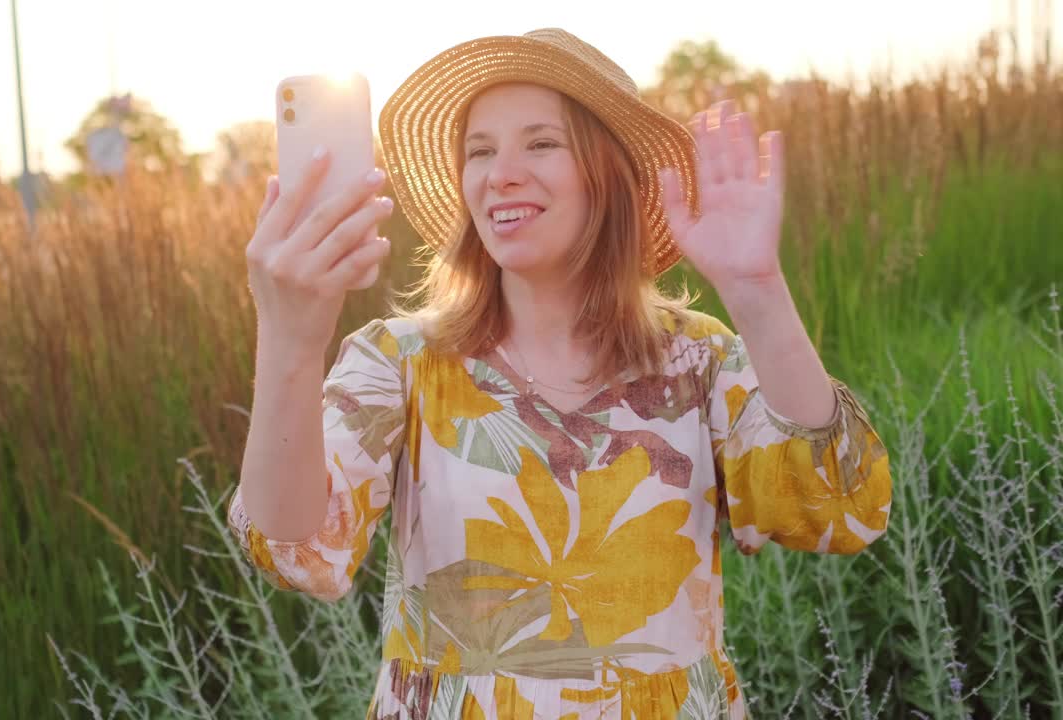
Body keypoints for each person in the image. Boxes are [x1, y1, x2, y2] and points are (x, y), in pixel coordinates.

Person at [229, 27, 892, 720]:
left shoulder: (698, 361)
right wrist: (289, 342)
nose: (500, 172)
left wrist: (756, 289)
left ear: (607, 174)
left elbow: (842, 510)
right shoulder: (400, 363)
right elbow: (298, 546)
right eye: (478, 152)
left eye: (540, 143)